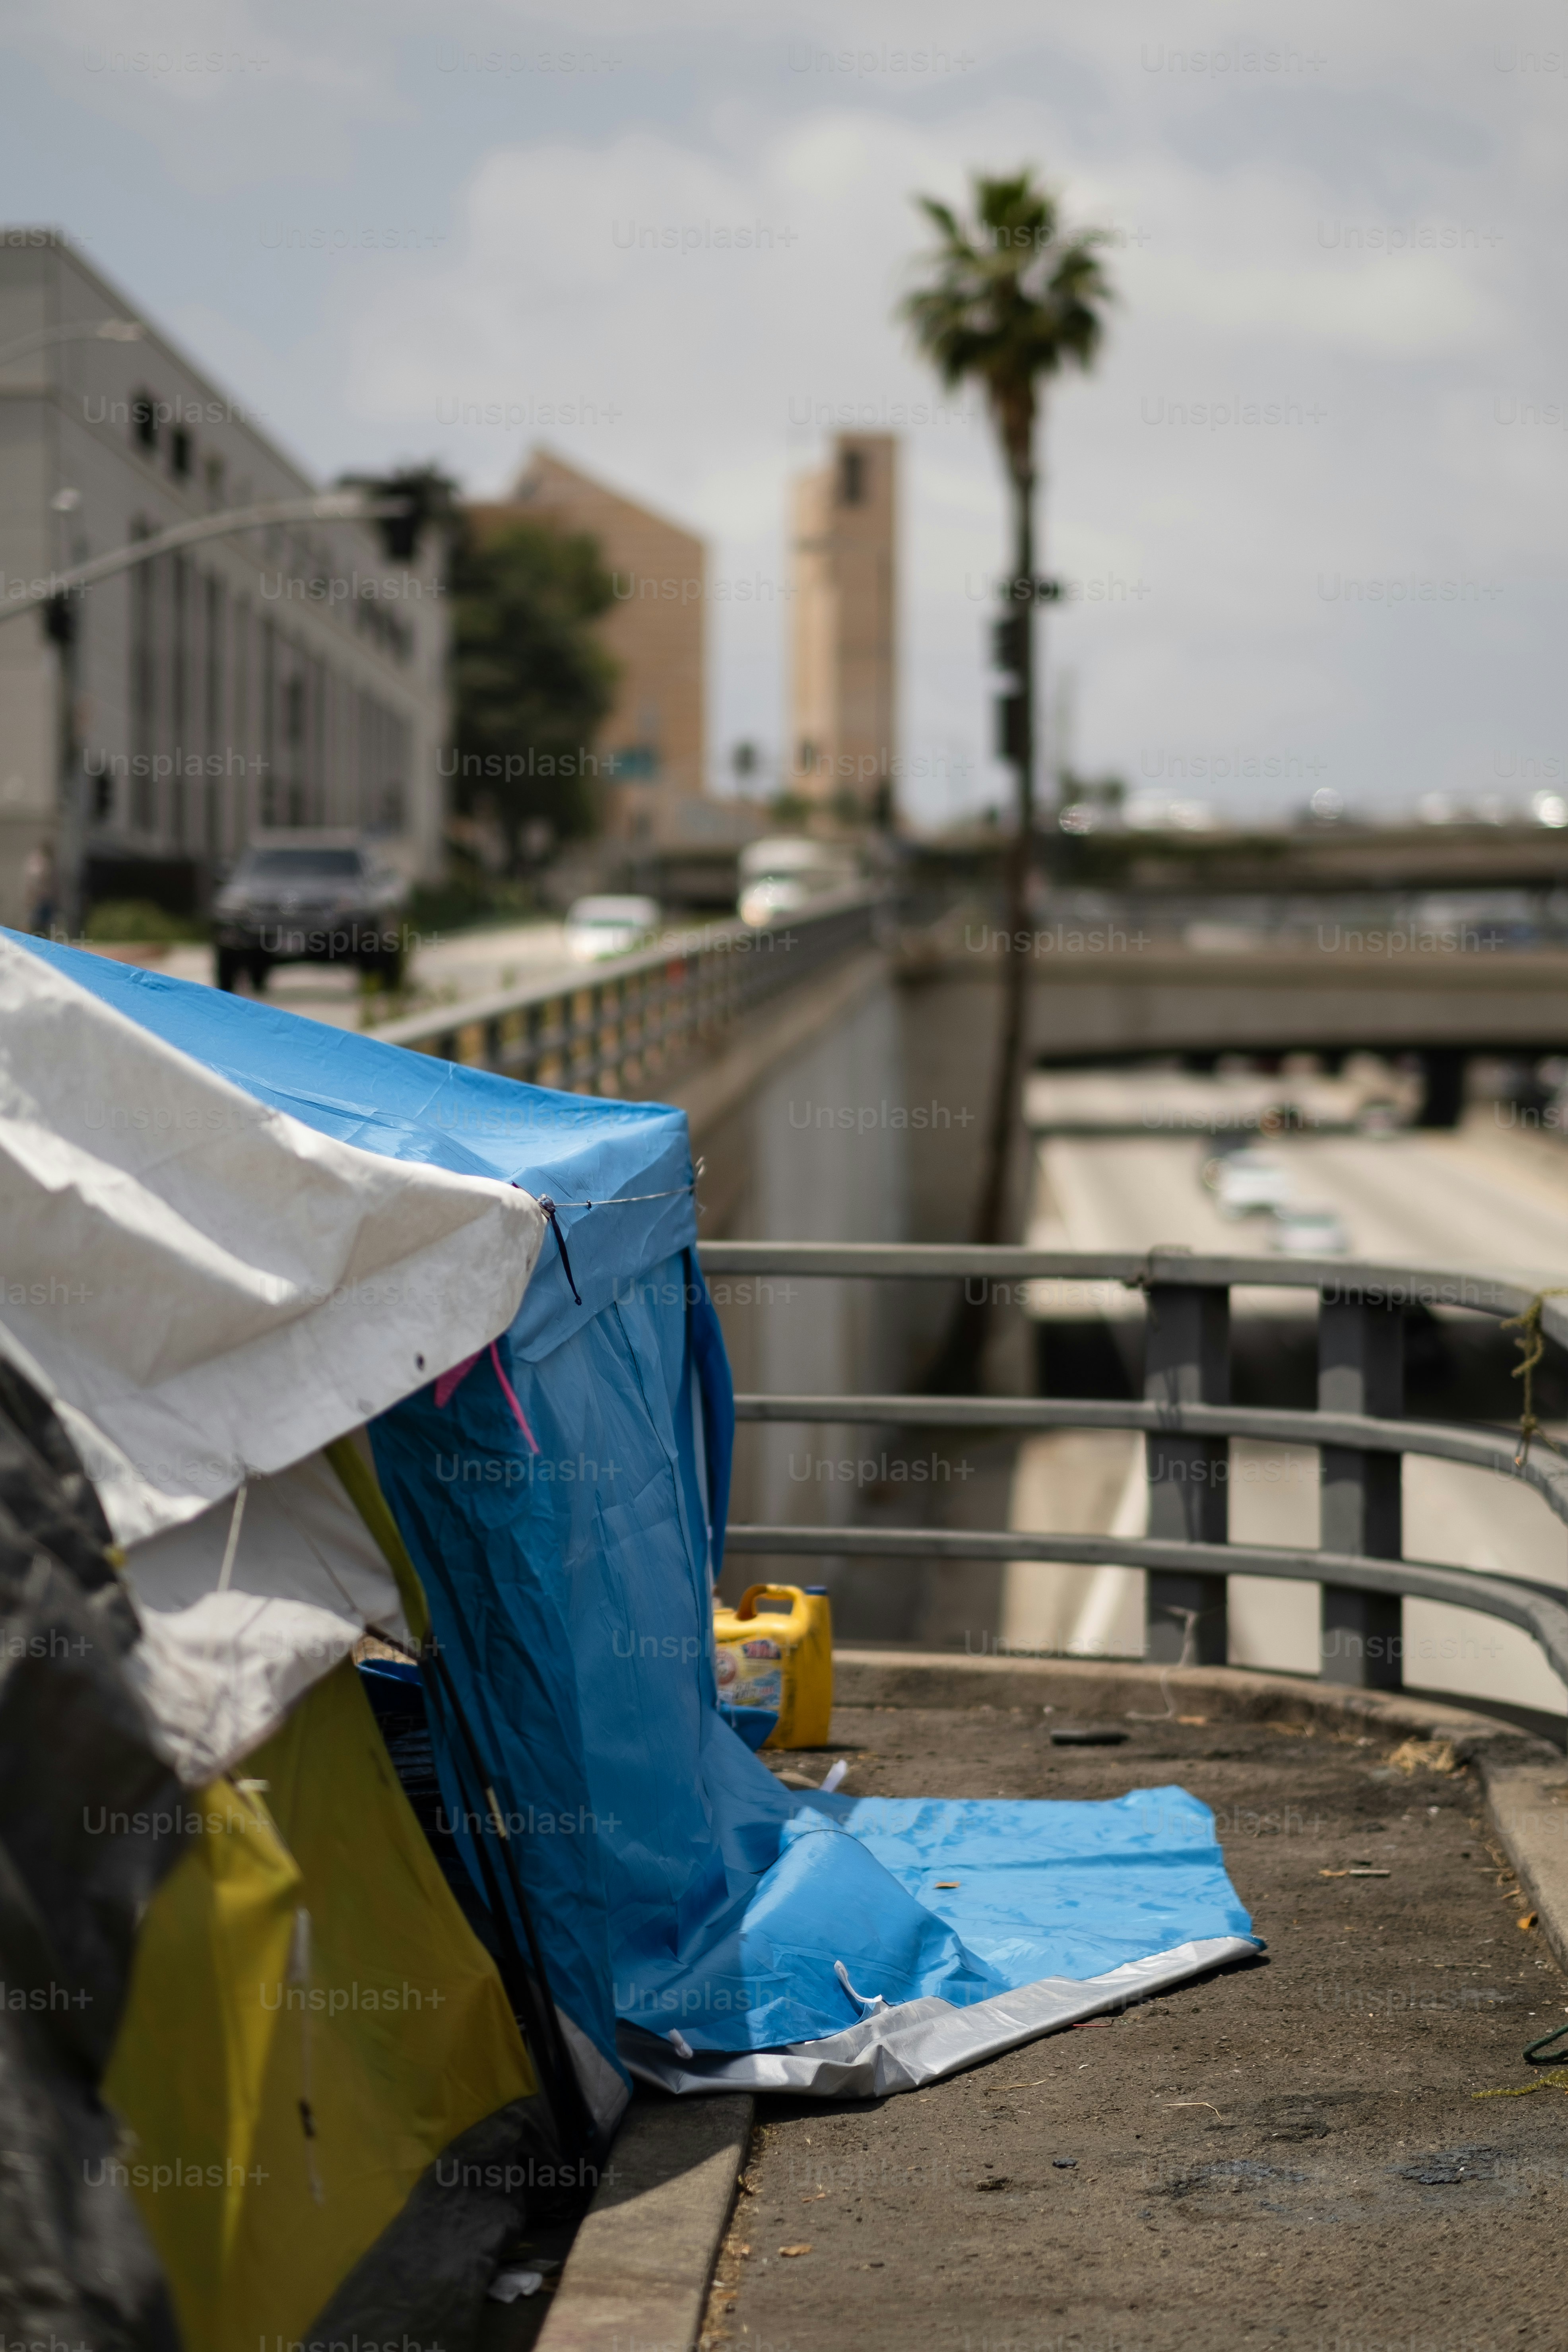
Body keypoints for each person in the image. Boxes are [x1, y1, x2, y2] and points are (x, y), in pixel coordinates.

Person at [22, 840, 56, 936]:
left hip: (45, 899)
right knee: (34, 923)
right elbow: (33, 882)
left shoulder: (47, 863)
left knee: (44, 926)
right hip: (37, 899)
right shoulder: (38, 862)